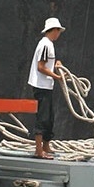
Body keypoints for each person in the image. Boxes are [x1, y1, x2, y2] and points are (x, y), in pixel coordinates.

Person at [28, 17, 66, 159]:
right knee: (43, 117)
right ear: (54, 30)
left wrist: (57, 65)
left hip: (47, 86)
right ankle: (39, 150)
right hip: (41, 86)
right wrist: (57, 77)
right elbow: (41, 67)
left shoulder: (49, 44)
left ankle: (46, 146)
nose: (59, 34)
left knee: (50, 117)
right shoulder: (45, 44)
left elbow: (47, 63)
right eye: (58, 31)